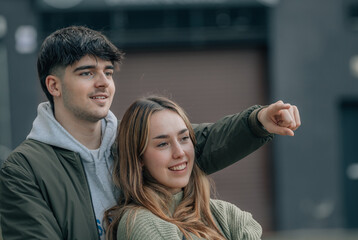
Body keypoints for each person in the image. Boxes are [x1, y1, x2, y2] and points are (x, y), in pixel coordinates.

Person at [0, 26, 300, 240]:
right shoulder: (25, 169)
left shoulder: (128, 140)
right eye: (87, 72)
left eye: (108, 71)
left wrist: (258, 120)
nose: (103, 82)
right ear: (54, 86)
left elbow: (199, 143)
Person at [104, 96, 263, 240]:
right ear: (138, 158)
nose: (180, 152)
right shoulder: (140, 223)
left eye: (184, 138)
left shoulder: (227, 215)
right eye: (163, 144)